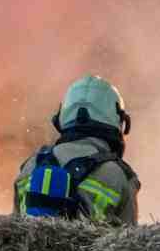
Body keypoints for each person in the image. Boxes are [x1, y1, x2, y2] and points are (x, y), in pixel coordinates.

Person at [13, 74, 139, 226]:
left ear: (61, 116)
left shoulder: (30, 166)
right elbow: (128, 243)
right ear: (118, 121)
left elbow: (14, 235)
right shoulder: (118, 175)